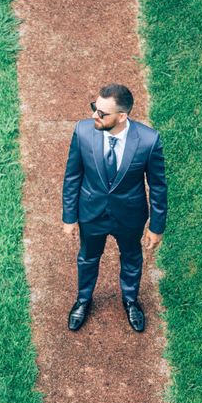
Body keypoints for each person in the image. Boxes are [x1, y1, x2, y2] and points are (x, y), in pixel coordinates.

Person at [62, 83, 167, 332]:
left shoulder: (149, 141)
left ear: (122, 116)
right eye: (94, 108)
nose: (93, 116)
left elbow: (158, 186)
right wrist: (69, 217)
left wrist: (156, 226)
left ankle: (130, 300)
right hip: (91, 213)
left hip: (129, 216)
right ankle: (83, 300)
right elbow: (72, 177)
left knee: (131, 258)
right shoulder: (83, 132)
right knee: (88, 258)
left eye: (101, 113)